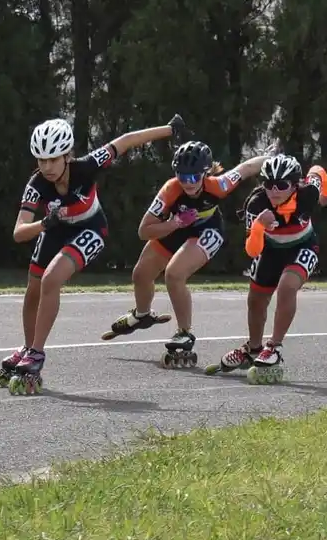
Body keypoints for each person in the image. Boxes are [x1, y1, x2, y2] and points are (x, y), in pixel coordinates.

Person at [0, 113, 191, 395]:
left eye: (53, 159)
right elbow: (19, 232)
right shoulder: (36, 184)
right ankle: (27, 347)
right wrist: (44, 224)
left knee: (51, 279)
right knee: (33, 288)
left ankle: (37, 352)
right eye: (41, 160)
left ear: (67, 156)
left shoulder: (87, 166)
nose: (46, 167)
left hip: (91, 229)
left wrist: (170, 129)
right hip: (54, 229)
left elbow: (127, 141)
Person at [101, 140, 270, 369]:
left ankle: (184, 332)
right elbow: (144, 231)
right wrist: (174, 223)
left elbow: (247, 168)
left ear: (205, 173)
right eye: (182, 176)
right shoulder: (170, 190)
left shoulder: (217, 185)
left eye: (193, 177)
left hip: (206, 230)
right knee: (141, 274)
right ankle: (142, 314)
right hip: (175, 227)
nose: (187, 183)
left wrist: (274, 161)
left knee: (174, 274)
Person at [204, 153, 327, 384]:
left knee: (286, 286)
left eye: (281, 185)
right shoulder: (256, 204)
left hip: (303, 246)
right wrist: (258, 226)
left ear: (295, 185)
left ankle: (274, 346)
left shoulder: (308, 194)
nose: (274, 191)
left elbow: (318, 171)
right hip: (271, 250)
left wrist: (325, 196)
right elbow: (253, 251)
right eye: (268, 184)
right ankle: (254, 349)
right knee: (255, 300)